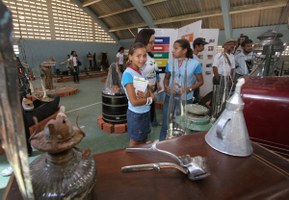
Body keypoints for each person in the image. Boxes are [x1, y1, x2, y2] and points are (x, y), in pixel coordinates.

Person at [159, 39, 204, 141]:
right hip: (169, 98)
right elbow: (166, 78)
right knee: (166, 124)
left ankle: (178, 146)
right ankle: (161, 145)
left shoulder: (195, 64)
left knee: (181, 125)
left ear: (184, 50)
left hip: (185, 99)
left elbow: (200, 81)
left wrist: (188, 89)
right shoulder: (170, 63)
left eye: (176, 48)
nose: (173, 51)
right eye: (173, 48)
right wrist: (166, 87)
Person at [121, 42, 155, 147]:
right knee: (135, 142)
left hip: (145, 111)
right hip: (136, 115)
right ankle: (131, 161)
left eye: (144, 55)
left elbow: (147, 87)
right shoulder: (128, 74)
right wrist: (150, 99)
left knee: (143, 139)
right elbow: (134, 102)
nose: (142, 59)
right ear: (130, 57)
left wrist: (148, 91)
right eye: (138, 56)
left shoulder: (140, 71)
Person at [135, 28, 162, 127]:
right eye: (150, 42)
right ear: (143, 41)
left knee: (152, 107)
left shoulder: (150, 55)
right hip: (143, 93)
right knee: (143, 115)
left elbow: (155, 70)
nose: (153, 45)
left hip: (151, 90)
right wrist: (148, 90)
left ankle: (153, 121)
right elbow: (134, 78)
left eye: (153, 42)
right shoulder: (137, 58)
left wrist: (157, 82)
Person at [211, 39, 236, 119]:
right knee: (217, 96)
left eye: (233, 44)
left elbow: (232, 68)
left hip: (227, 78)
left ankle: (221, 113)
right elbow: (215, 67)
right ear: (224, 46)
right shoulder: (219, 55)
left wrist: (230, 79)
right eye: (229, 44)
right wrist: (218, 78)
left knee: (225, 96)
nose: (232, 46)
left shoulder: (232, 56)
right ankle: (215, 113)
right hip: (220, 77)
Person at [192, 37, 209, 103]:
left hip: (196, 83)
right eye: (202, 45)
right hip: (193, 84)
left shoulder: (195, 57)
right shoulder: (192, 57)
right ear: (196, 45)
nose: (203, 47)